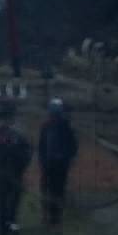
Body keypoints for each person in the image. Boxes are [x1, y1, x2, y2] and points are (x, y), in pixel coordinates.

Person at [0, 100, 32, 235]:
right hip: (0, 175)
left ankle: (10, 223)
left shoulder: (19, 134)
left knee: (11, 201)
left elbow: (27, 153)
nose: (5, 119)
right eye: (4, 116)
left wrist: (20, 167)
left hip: (12, 175)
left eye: (7, 116)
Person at [38, 97, 79, 227]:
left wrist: (65, 158)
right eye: (52, 113)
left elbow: (73, 146)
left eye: (55, 114)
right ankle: (46, 216)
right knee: (46, 190)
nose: (53, 116)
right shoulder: (46, 126)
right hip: (48, 164)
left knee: (58, 191)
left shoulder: (66, 127)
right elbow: (41, 145)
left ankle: (56, 219)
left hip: (60, 165)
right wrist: (42, 160)